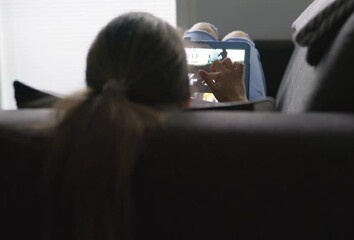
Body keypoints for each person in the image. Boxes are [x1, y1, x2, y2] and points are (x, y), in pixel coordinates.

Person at [42, 12, 248, 240]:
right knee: (239, 38)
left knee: (202, 31)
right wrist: (238, 101)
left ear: (93, 84)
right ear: (185, 99)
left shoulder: (55, 153)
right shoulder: (207, 162)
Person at [183, 22, 267, 100]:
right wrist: (237, 98)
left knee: (202, 28)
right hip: (243, 108)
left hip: (182, 100)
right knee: (239, 36)